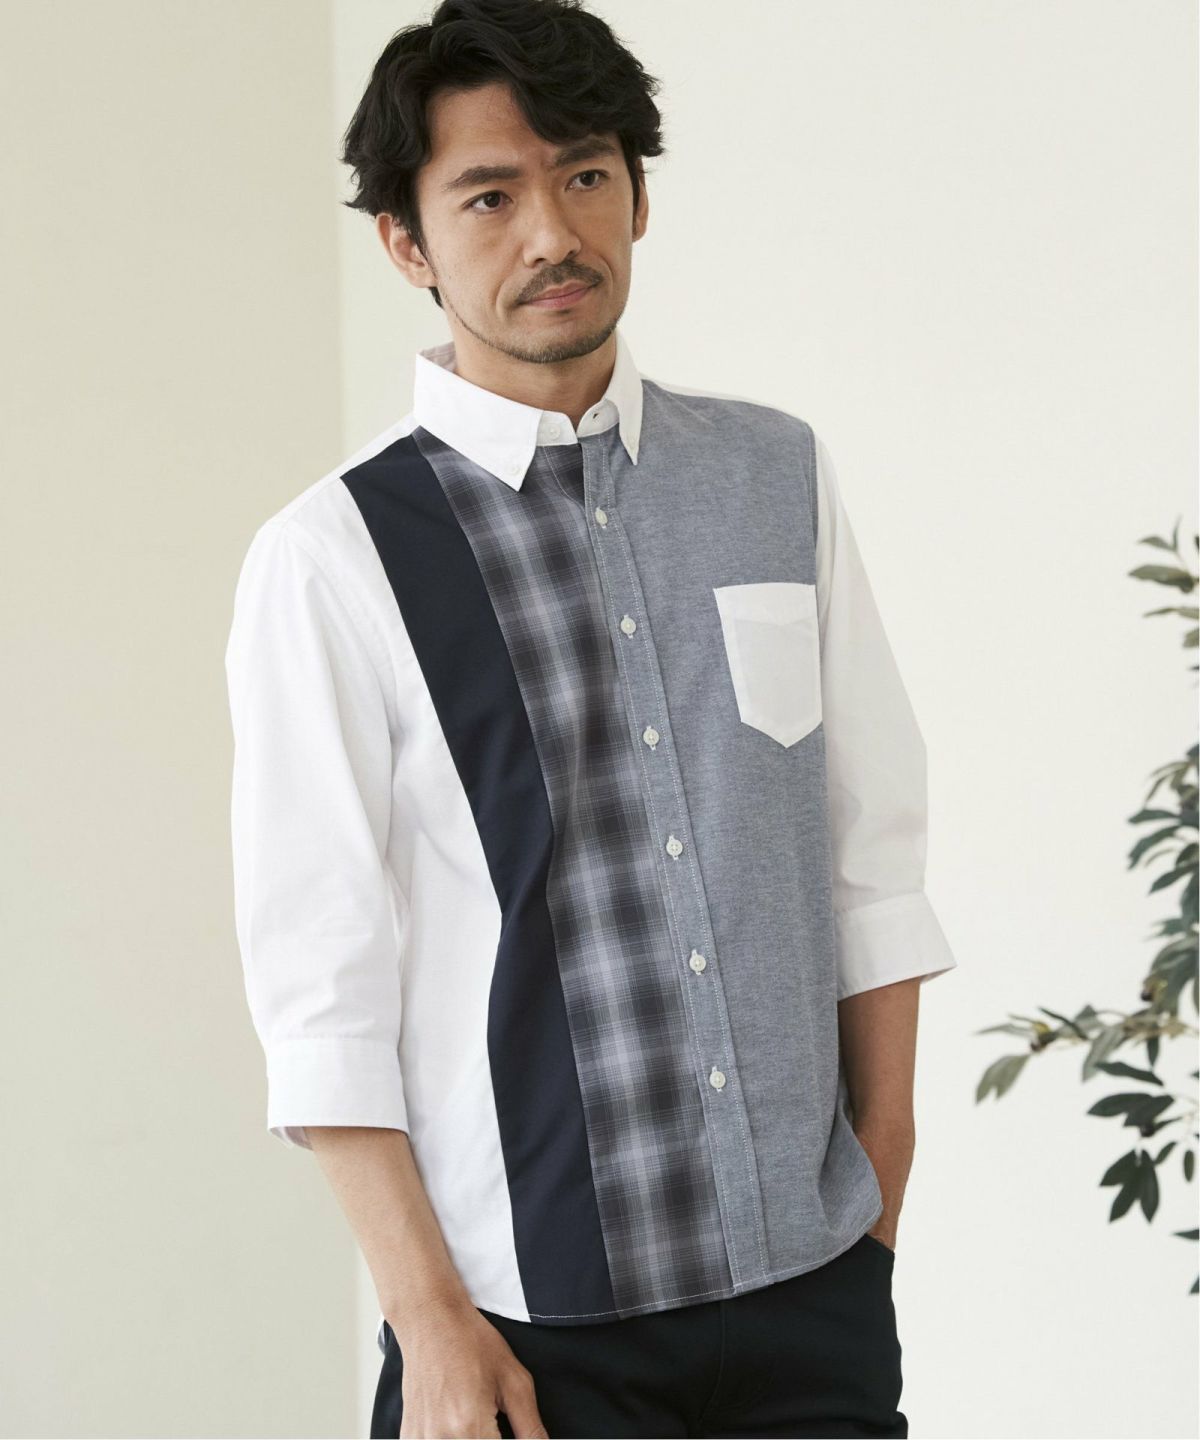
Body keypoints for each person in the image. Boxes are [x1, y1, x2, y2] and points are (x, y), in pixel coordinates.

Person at [223, 0, 958, 1434]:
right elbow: (320, 986)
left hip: (810, 1300)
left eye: (584, 175)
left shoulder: (773, 474)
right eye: (488, 197)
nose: (551, 233)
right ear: (406, 242)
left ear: (637, 193)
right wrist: (428, 1323)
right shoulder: (333, 559)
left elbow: (869, 856)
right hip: (523, 1337)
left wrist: (881, 1181)